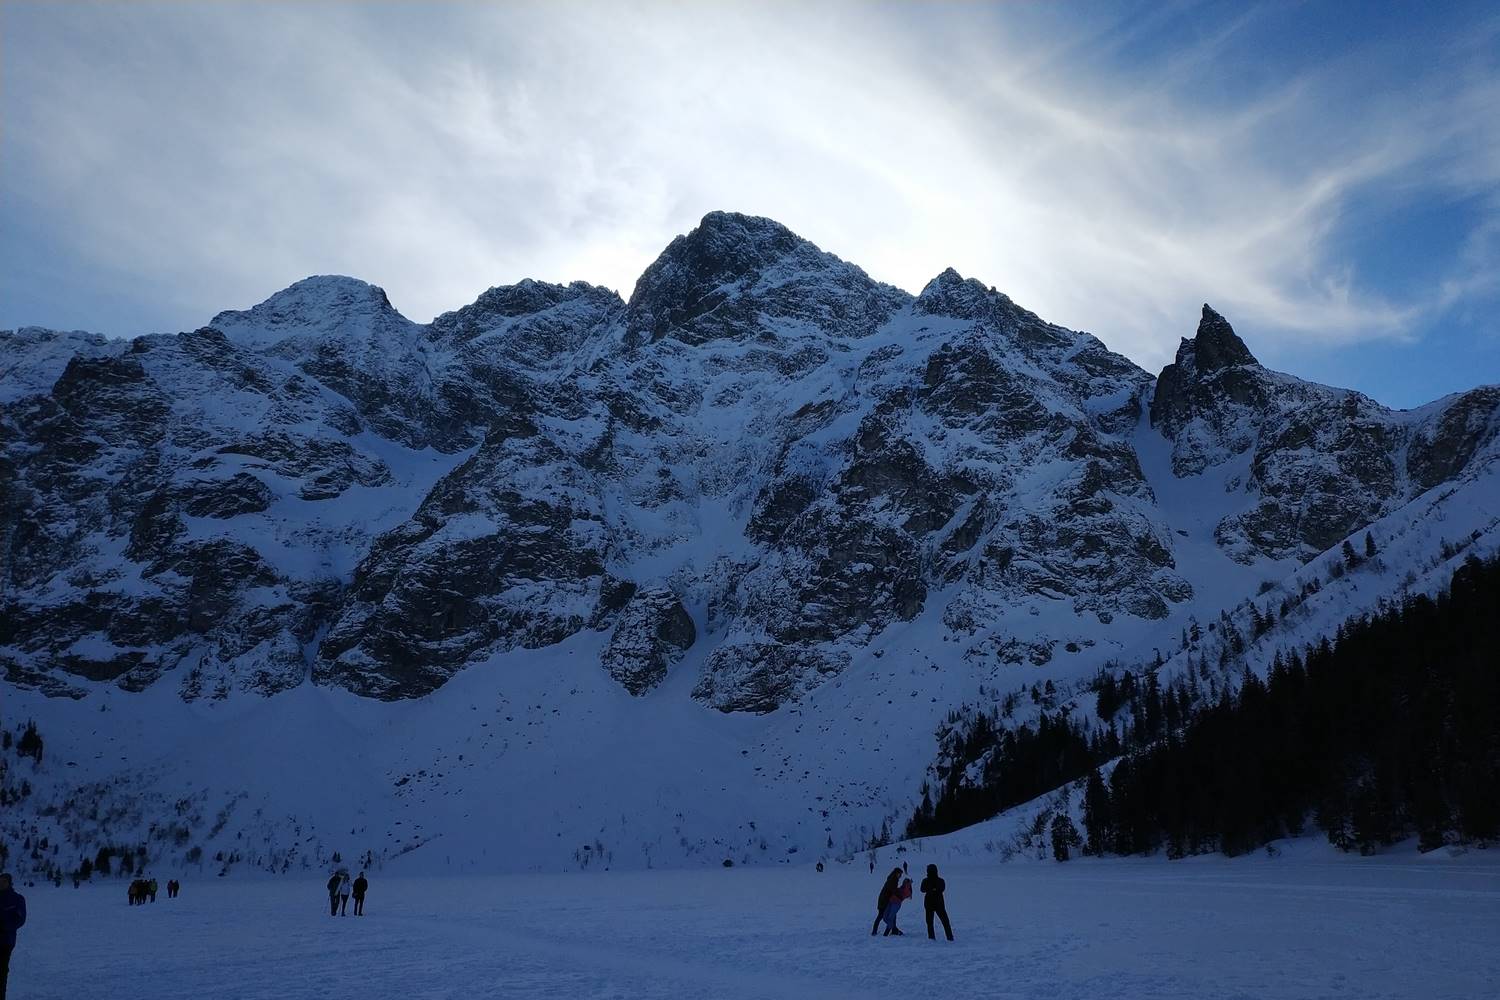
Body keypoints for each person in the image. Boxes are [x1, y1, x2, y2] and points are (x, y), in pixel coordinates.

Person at [1, 873, 26, 1000]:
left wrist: (5, 926)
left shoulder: (17, 899)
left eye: (4, 881)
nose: (1, 883)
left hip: (6, 941)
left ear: (9, 883)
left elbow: (20, 920)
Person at [920, 864, 954, 941]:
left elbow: (922, 889)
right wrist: (934, 889)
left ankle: (932, 938)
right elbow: (941, 888)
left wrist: (930, 889)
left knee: (930, 923)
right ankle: (950, 937)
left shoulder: (926, 880)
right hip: (939, 903)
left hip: (930, 904)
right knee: (945, 922)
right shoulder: (940, 880)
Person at [871, 868, 902, 936]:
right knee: (881, 915)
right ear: (897, 873)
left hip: (886, 899)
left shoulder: (893, 878)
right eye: (900, 874)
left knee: (892, 914)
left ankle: (893, 929)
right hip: (884, 900)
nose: (900, 876)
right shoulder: (893, 880)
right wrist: (900, 893)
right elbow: (893, 890)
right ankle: (874, 931)